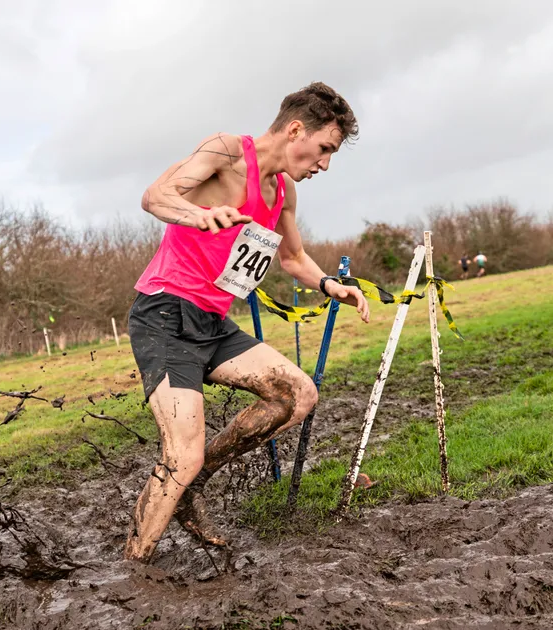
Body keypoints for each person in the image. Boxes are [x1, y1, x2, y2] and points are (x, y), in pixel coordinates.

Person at [123, 82, 371, 562]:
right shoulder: (226, 151)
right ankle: (134, 565)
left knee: (298, 395)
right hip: (165, 314)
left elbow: (294, 257)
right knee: (181, 455)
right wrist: (198, 214)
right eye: (324, 149)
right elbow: (155, 197)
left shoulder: (284, 191)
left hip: (213, 325)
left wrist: (329, 285)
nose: (324, 164)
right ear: (296, 129)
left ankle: (194, 487)